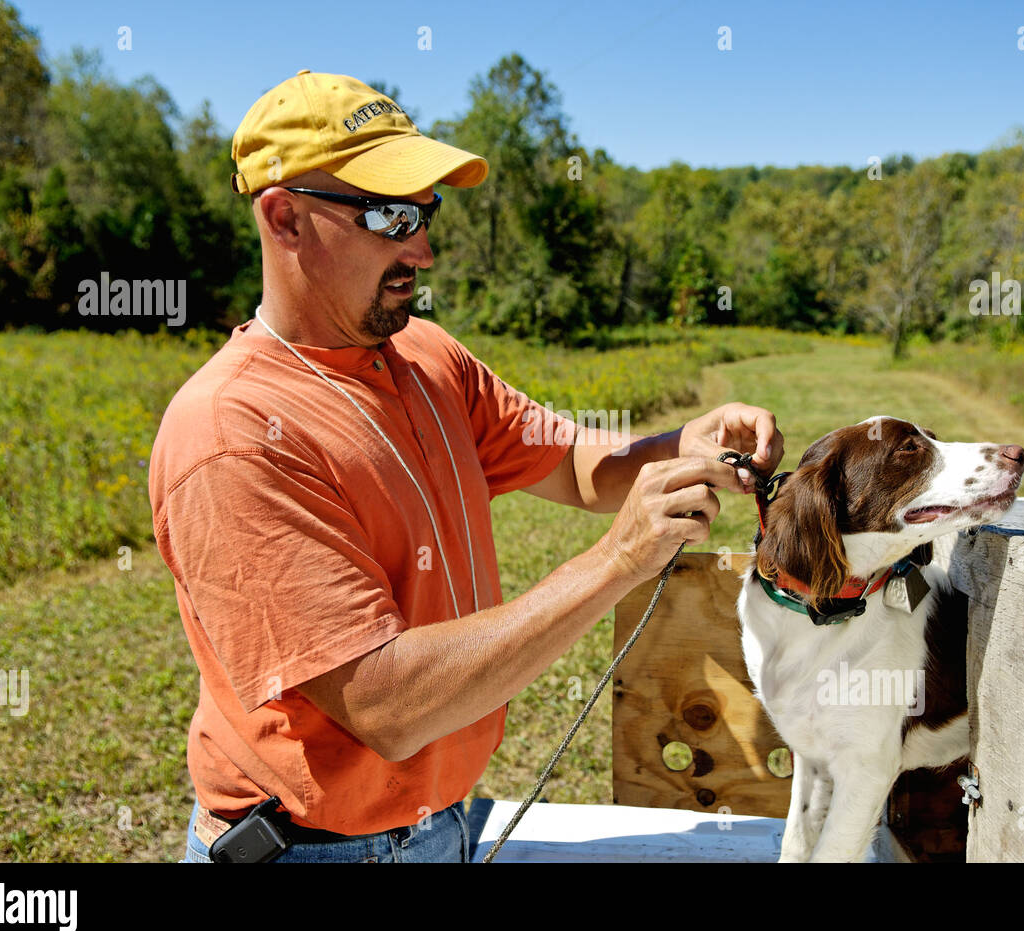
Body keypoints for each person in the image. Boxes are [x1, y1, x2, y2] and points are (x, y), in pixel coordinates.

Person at [148, 70, 785, 863]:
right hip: (312, 851)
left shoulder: (425, 354)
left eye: (427, 210)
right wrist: (619, 559)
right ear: (285, 218)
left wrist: (683, 442)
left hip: (438, 825)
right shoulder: (233, 435)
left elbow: (576, 464)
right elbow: (386, 705)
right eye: (390, 214)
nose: (423, 246)